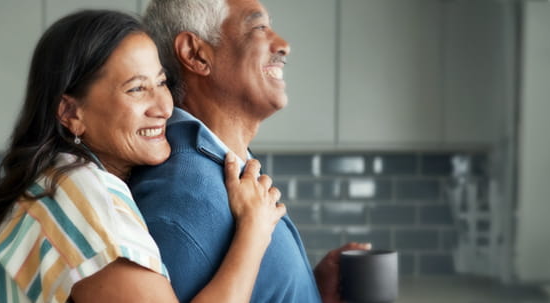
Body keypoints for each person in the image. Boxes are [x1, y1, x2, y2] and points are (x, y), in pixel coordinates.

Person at [0, 10, 289, 303]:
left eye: (162, 83)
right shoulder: (84, 195)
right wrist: (254, 231)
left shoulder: (60, 181)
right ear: (71, 112)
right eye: (136, 89)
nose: (164, 107)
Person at [130, 0, 370, 302]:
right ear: (196, 54)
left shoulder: (225, 169)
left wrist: (310, 289)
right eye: (259, 28)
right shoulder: (183, 196)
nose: (284, 45)